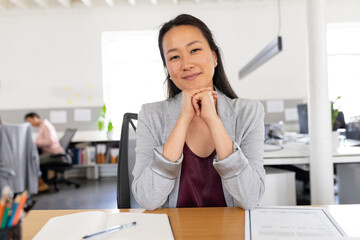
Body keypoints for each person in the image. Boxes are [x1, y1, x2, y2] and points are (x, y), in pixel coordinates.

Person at [132, 14, 265, 210]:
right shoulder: (151, 115)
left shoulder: (249, 113)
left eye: (194, 50)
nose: (186, 64)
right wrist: (183, 119)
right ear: (168, 68)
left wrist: (213, 120)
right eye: (175, 56)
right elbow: (148, 199)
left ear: (214, 57)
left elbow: (251, 198)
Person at [25, 112, 64, 191]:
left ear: (35, 117)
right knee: (34, 158)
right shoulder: (42, 126)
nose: (30, 123)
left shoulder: (46, 126)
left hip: (54, 154)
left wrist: (34, 142)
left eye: (30, 121)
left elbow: (49, 141)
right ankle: (41, 182)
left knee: (33, 160)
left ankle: (42, 183)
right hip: (50, 152)